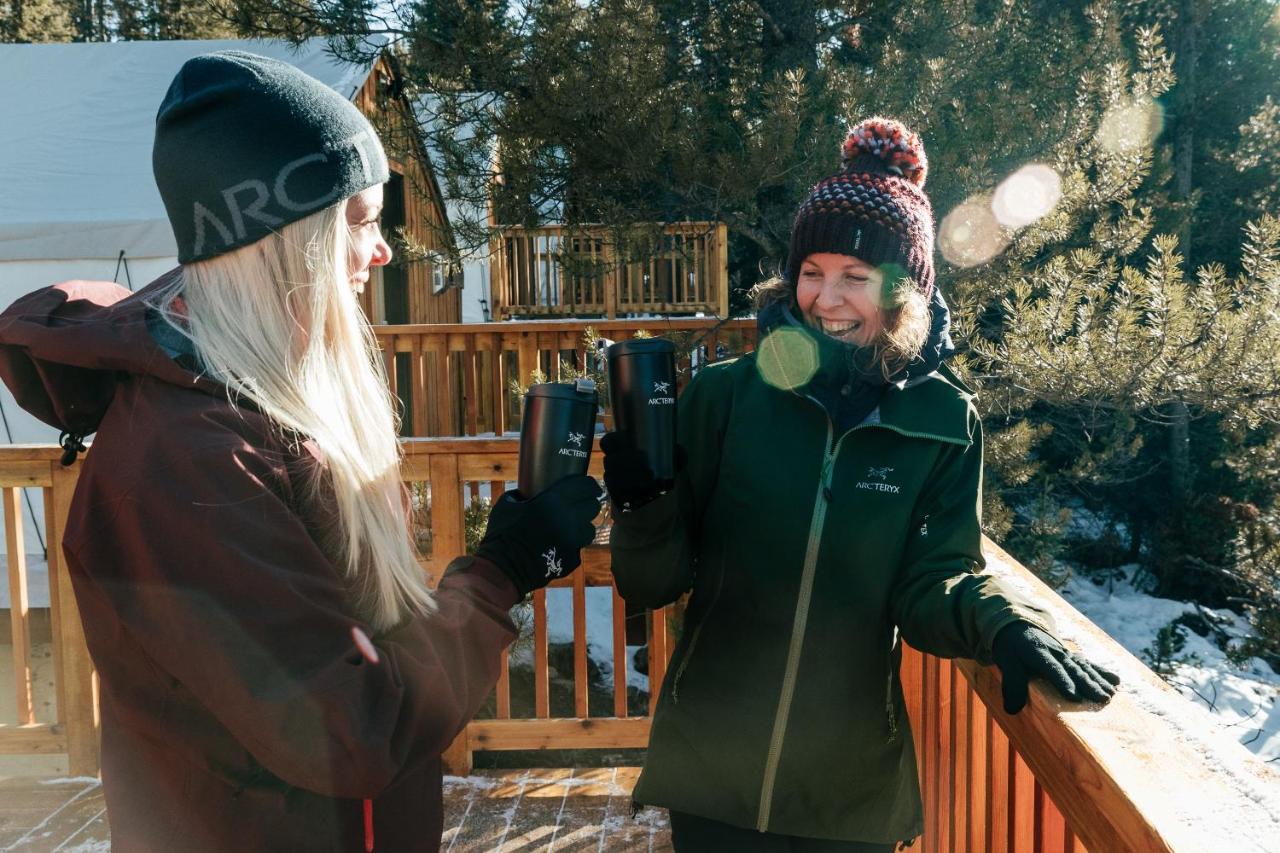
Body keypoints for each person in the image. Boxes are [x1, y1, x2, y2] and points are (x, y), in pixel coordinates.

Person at [0, 51, 601, 852]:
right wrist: (499, 573)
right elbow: (350, 725)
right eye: (359, 221)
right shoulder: (186, 462)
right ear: (285, 243)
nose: (382, 250)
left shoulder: (266, 407)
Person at [601, 117, 1119, 852]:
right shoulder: (726, 397)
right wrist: (643, 503)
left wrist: (1004, 623)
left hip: (847, 784)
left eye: (855, 276)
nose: (827, 298)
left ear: (903, 289)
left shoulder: (942, 419)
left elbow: (937, 577)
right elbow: (649, 581)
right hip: (711, 762)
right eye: (812, 271)